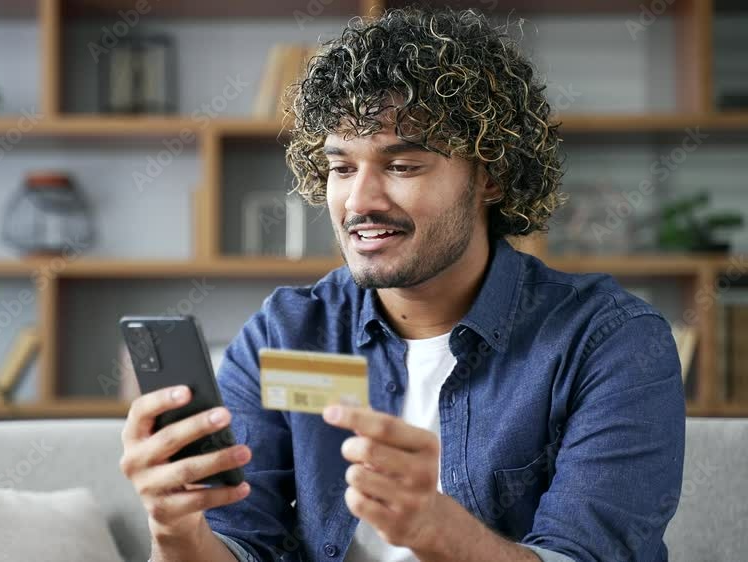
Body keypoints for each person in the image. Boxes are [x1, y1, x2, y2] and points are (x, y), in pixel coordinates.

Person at [119, 6, 685, 562]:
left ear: (490, 176)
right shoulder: (285, 335)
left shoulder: (608, 341)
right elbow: (242, 545)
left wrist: (441, 534)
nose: (359, 202)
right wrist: (176, 530)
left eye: (402, 166)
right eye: (342, 168)